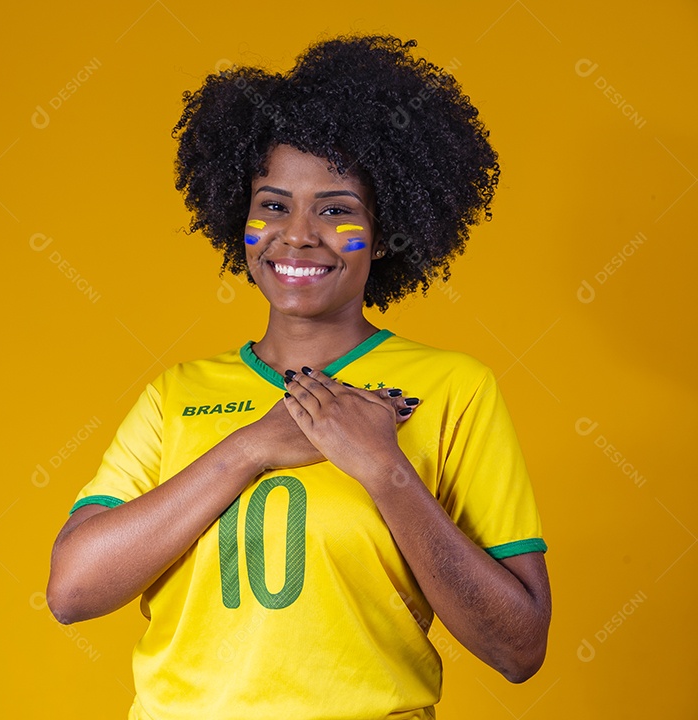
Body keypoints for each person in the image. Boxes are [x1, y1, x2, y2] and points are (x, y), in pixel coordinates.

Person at [46, 34, 551, 720]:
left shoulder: (454, 387)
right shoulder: (177, 394)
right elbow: (72, 592)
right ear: (241, 219)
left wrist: (383, 468)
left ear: (384, 228)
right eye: (274, 205)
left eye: (337, 209)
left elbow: (518, 649)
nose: (299, 235)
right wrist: (251, 447)